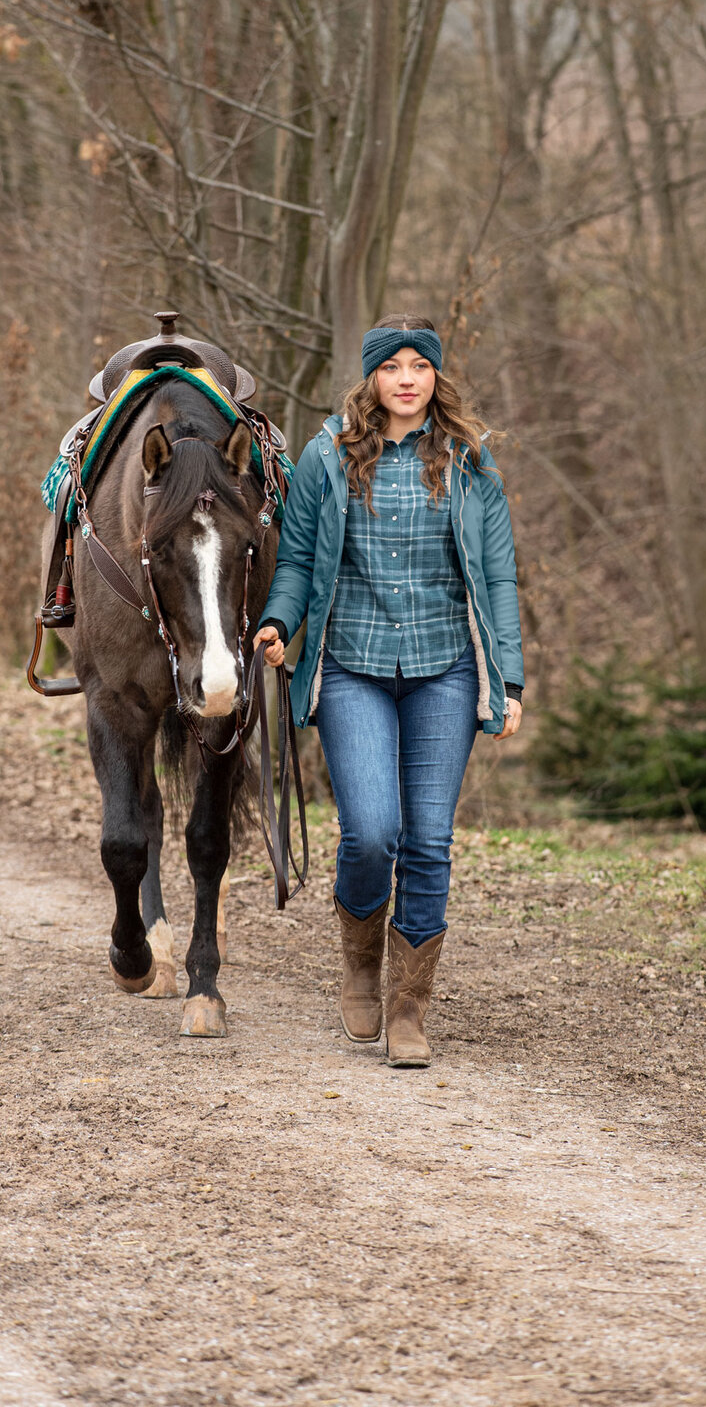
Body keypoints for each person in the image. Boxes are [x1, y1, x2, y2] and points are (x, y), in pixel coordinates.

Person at [253, 315, 523, 1068]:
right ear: (371, 378)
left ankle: (409, 1005)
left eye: (421, 366)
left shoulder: (471, 461)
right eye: (393, 366)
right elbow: (300, 559)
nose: (408, 378)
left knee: (429, 841)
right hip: (351, 669)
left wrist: (508, 679)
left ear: (437, 377)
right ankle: (361, 964)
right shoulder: (326, 455)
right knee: (372, 832)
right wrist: (279, 620)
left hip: (445, 671)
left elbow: (497, 576)